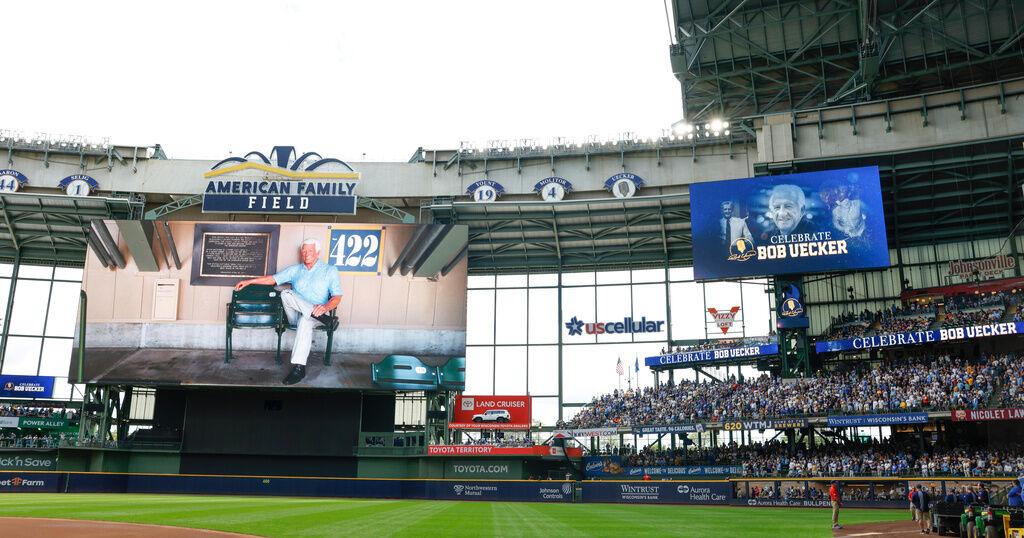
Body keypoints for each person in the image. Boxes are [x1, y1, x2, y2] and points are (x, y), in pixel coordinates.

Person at [235, 238, 342, 385]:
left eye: (310, 250)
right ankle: (326, 319)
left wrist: (325, 308)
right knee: (286, 294)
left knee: (305, 320)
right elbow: (272, 279)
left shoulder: (329, 271)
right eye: (303, 251)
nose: (306, 254)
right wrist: (249, 281)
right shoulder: (295, 270)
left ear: (318, 253)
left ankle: (299, 368)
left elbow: (337, 297)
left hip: (317, 315)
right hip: (296, 315)